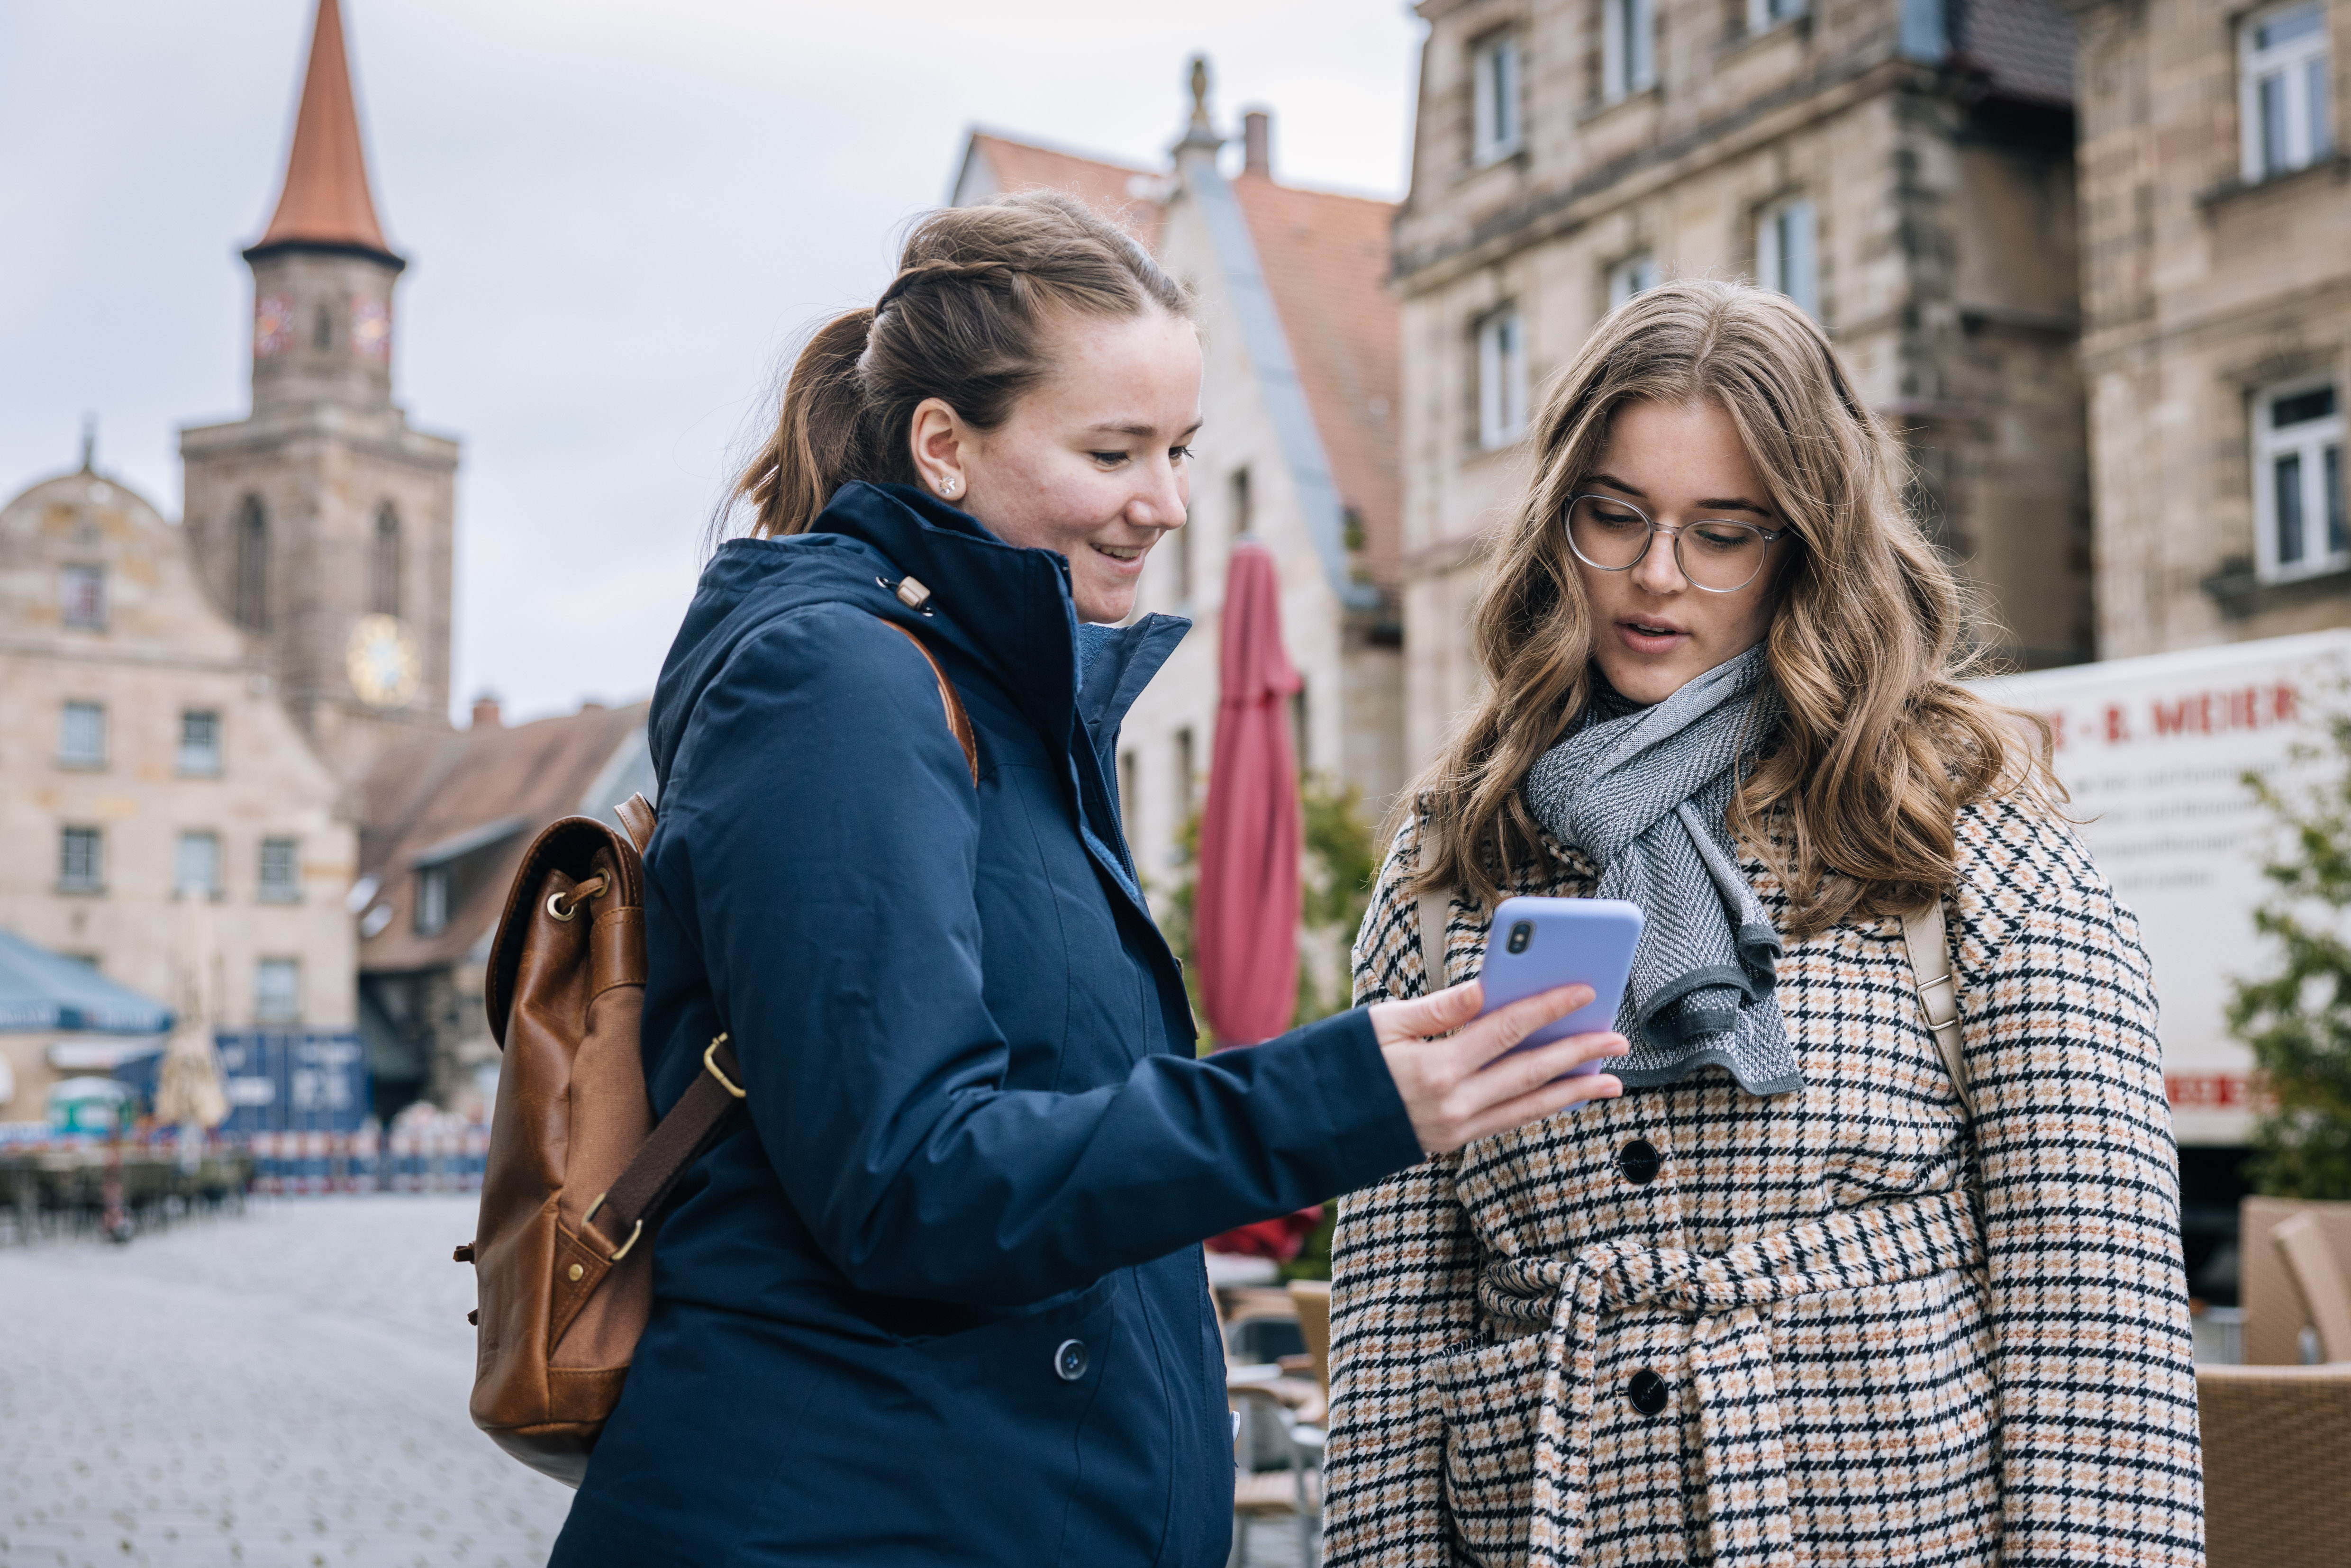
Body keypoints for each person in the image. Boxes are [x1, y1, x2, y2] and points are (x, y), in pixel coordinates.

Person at [548, 191, 1633, 1568]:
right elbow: (909, 1184)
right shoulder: (838, 683)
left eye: (1178, 449)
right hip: (844, 1513)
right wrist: (1342, 1093)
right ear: (943, 445)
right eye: (1113, 451)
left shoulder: (993, 692)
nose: (1164, 504)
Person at [1322, 280, 2203, 1567]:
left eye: (1721, 533)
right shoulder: (1456, 850)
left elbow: (2096, 1319)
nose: (1654, 576)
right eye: (1611, 516)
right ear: (1553, 517)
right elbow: (1389, 1325)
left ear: (1805, 542)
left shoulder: (1958, 822)